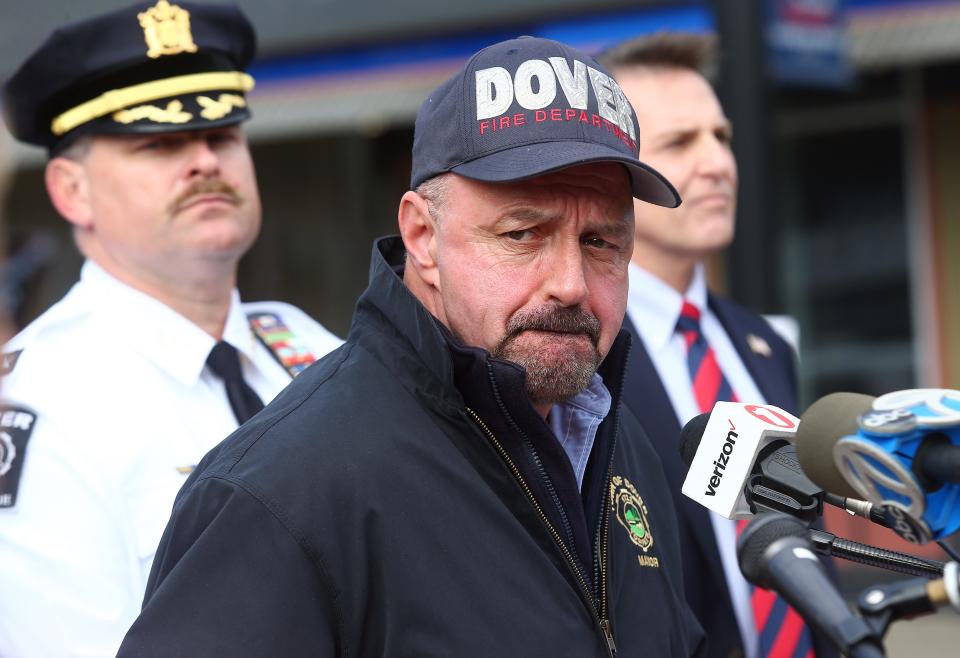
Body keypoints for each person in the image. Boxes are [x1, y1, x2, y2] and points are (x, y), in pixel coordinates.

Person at [117, 36, 705, 657]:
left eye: (600, 243)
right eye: (523, 233)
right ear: (422, 236)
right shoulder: (280, 494)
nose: (570, 284)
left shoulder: (613, 439)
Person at [0, 3, 341, 657]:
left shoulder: (309, 346)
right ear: (72, 192)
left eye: (223, 135)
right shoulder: (37, 400)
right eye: (159, 144)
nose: (204, 162)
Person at [600, 33, 835, 658]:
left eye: (722, 137)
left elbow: (798, 533)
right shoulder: (581, 362)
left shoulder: (761, 344)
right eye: (681, 142)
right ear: (616, 174)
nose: (718, 164)